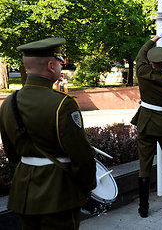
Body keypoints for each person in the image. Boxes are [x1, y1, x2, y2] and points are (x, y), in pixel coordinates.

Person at [0, 37, 97, 229]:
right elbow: (81, 155)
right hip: (59, 193)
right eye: (59, 62)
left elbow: (11, 154)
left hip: (24, 191)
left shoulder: (9, 103)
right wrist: (87, 186)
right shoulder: (63, 103)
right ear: (51, 66)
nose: (61, 67)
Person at [130, 28, 162, 218]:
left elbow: (140, 54)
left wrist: (156, 37)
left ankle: (143, 208)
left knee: (144, 165)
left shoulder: (143, 72)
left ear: (151, 63)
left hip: (145, 123)